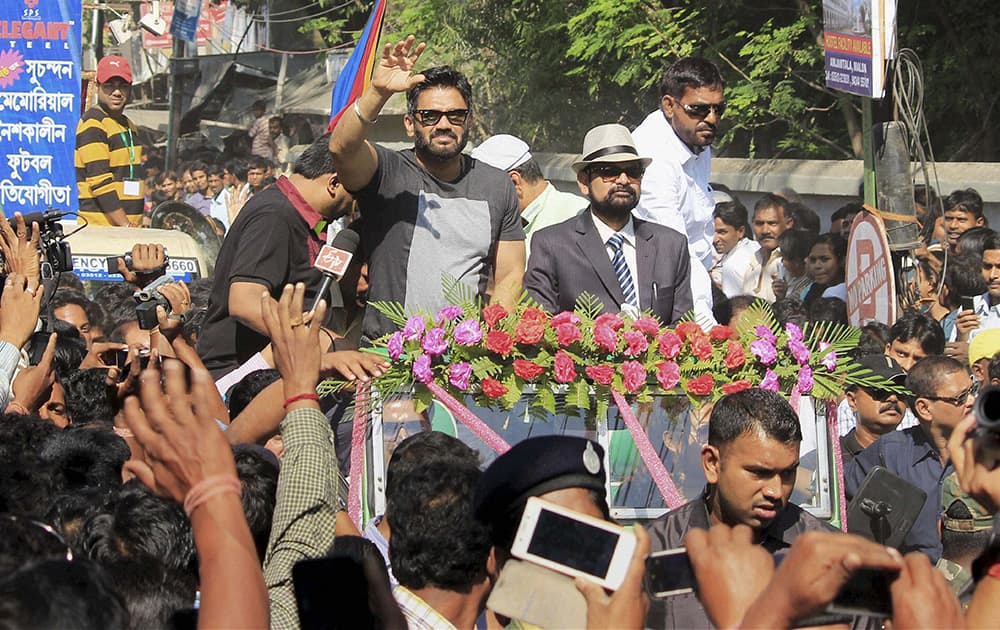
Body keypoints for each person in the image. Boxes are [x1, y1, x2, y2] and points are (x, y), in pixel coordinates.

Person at [328, 37, 525, 341]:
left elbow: (510, 275)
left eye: (455, 115)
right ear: (410, 124)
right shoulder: (386, 172)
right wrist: (377, 93)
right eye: (430, 116)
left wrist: (489, 344)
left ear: (468, 121)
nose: (443, 124)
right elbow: (342, 148)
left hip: (464, 363)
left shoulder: (496, 185)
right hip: (388, 359)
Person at [646, 388, 831, 629]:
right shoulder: (657, 551)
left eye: (788, 473)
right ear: (712, 463)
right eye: (759, 473)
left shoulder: (827, 555)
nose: (776, 491)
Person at [197, 133, 352, 380]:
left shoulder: (297, 214)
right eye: (353, 194)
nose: (352, 205)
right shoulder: (276, 215)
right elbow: (245, 301)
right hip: (245, 378)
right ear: (334, 183)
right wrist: (324, 342)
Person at [524, 123, 692, 324]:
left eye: (633, 171)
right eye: (609, 171)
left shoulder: (671, 245)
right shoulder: (552, 245)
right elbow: (539, 327)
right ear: (584, 182)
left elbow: (683, 327)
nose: (623, 180)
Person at [846, 355, 975, 562]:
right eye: (960, 398)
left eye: (972, 391)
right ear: (924, 408)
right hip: (913, 584)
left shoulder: (988, 451)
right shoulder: (890, 453)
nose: (971, 401)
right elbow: (835, 494)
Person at [632, 56, 724, 271]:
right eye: (698, 109)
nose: (711, 118)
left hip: (697, 270)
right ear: (669, 106)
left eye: (718, 109)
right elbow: (675, 248)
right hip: (664, 279)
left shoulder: (695, 137)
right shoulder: (653, 155)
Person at [470, 134, 585, 259]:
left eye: (483, 190)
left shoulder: (578, 216)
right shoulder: (491, 223)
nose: (479, 198)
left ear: (514, 182)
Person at [75, 55, 144, 227]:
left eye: (123, 86)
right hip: (102, 230)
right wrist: (125, 224)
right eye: (109, 86)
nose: (117, 92)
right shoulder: (93, 123)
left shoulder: (129, 125)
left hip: (128, 228)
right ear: (97, 87)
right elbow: (100, 182)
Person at [840, 355, 908, 464]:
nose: (893, 398)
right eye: (881, 390)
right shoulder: (831, 458)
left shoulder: (917, 454)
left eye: (900, 391)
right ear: (853, 400)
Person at [741, 193, 791, 302]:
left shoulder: (792, 262)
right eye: (759, 223)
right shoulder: (753, 258)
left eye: (772, 223)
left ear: (788, 224)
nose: (765, 231)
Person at [709, 200, 759, 298]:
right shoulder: (756, 247)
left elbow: (732, 306)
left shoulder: (732, 266)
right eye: (712, 232)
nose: (715, 240)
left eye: (722, 232)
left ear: (740, 231)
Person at [943, 188, 986, 253]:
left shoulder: (988, 252)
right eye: (948, 219)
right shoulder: (939, 251)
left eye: (961, 220)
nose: (953, 226)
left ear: (979, 222)